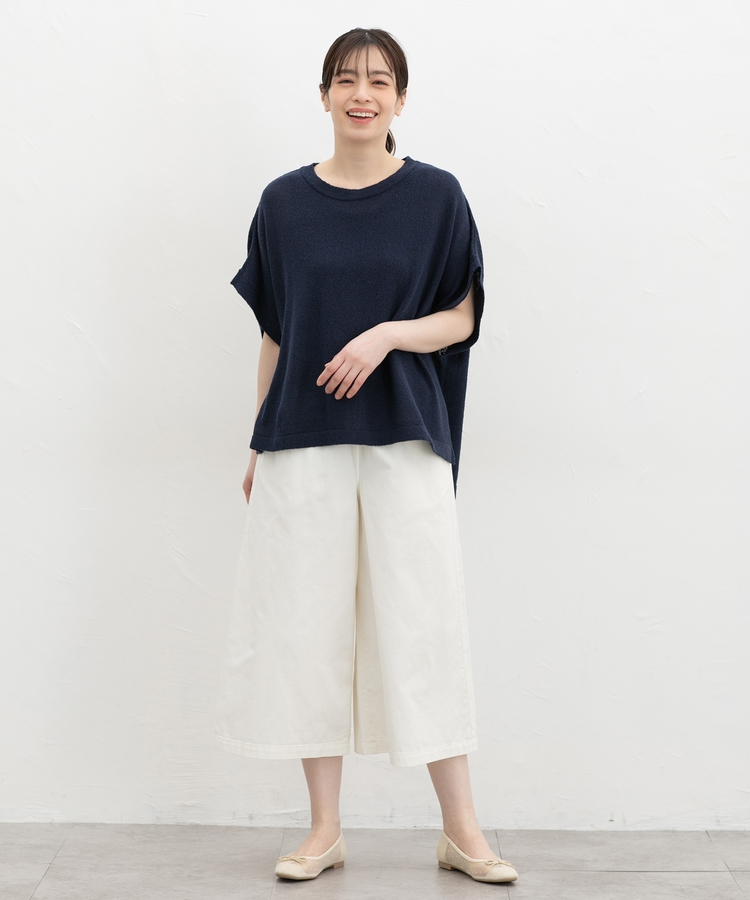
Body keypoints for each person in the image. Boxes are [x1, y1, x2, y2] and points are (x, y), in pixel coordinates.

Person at [212, 27, 518, 885]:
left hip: (406, 438)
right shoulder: (283, 203)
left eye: (380, 81)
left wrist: (383, 335)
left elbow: (461, 317)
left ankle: (462, 831)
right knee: (306, 629)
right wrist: (258, 436)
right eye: (346, 80)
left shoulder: (436, 197)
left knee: (424, 625)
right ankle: (323, 830)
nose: (362, 93)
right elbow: (277, 331)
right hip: (300, 439)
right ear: (323, 95)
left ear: (401, 98)